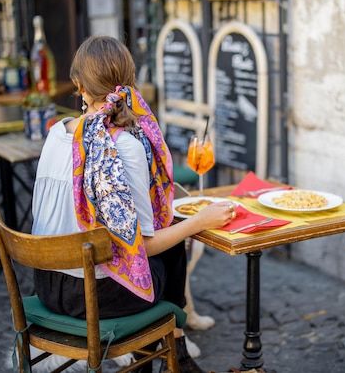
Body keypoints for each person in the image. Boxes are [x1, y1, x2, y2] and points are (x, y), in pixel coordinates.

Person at [31, 35, 235, 373]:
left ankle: (169, 354)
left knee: (164, 239)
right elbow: (146, 245)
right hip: (95, 299)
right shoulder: (125, 146)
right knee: (170, 243)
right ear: (129, 84)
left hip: (47, 284)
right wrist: (200, 222)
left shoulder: (55, 134)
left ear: (78, 84)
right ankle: (170, 354)